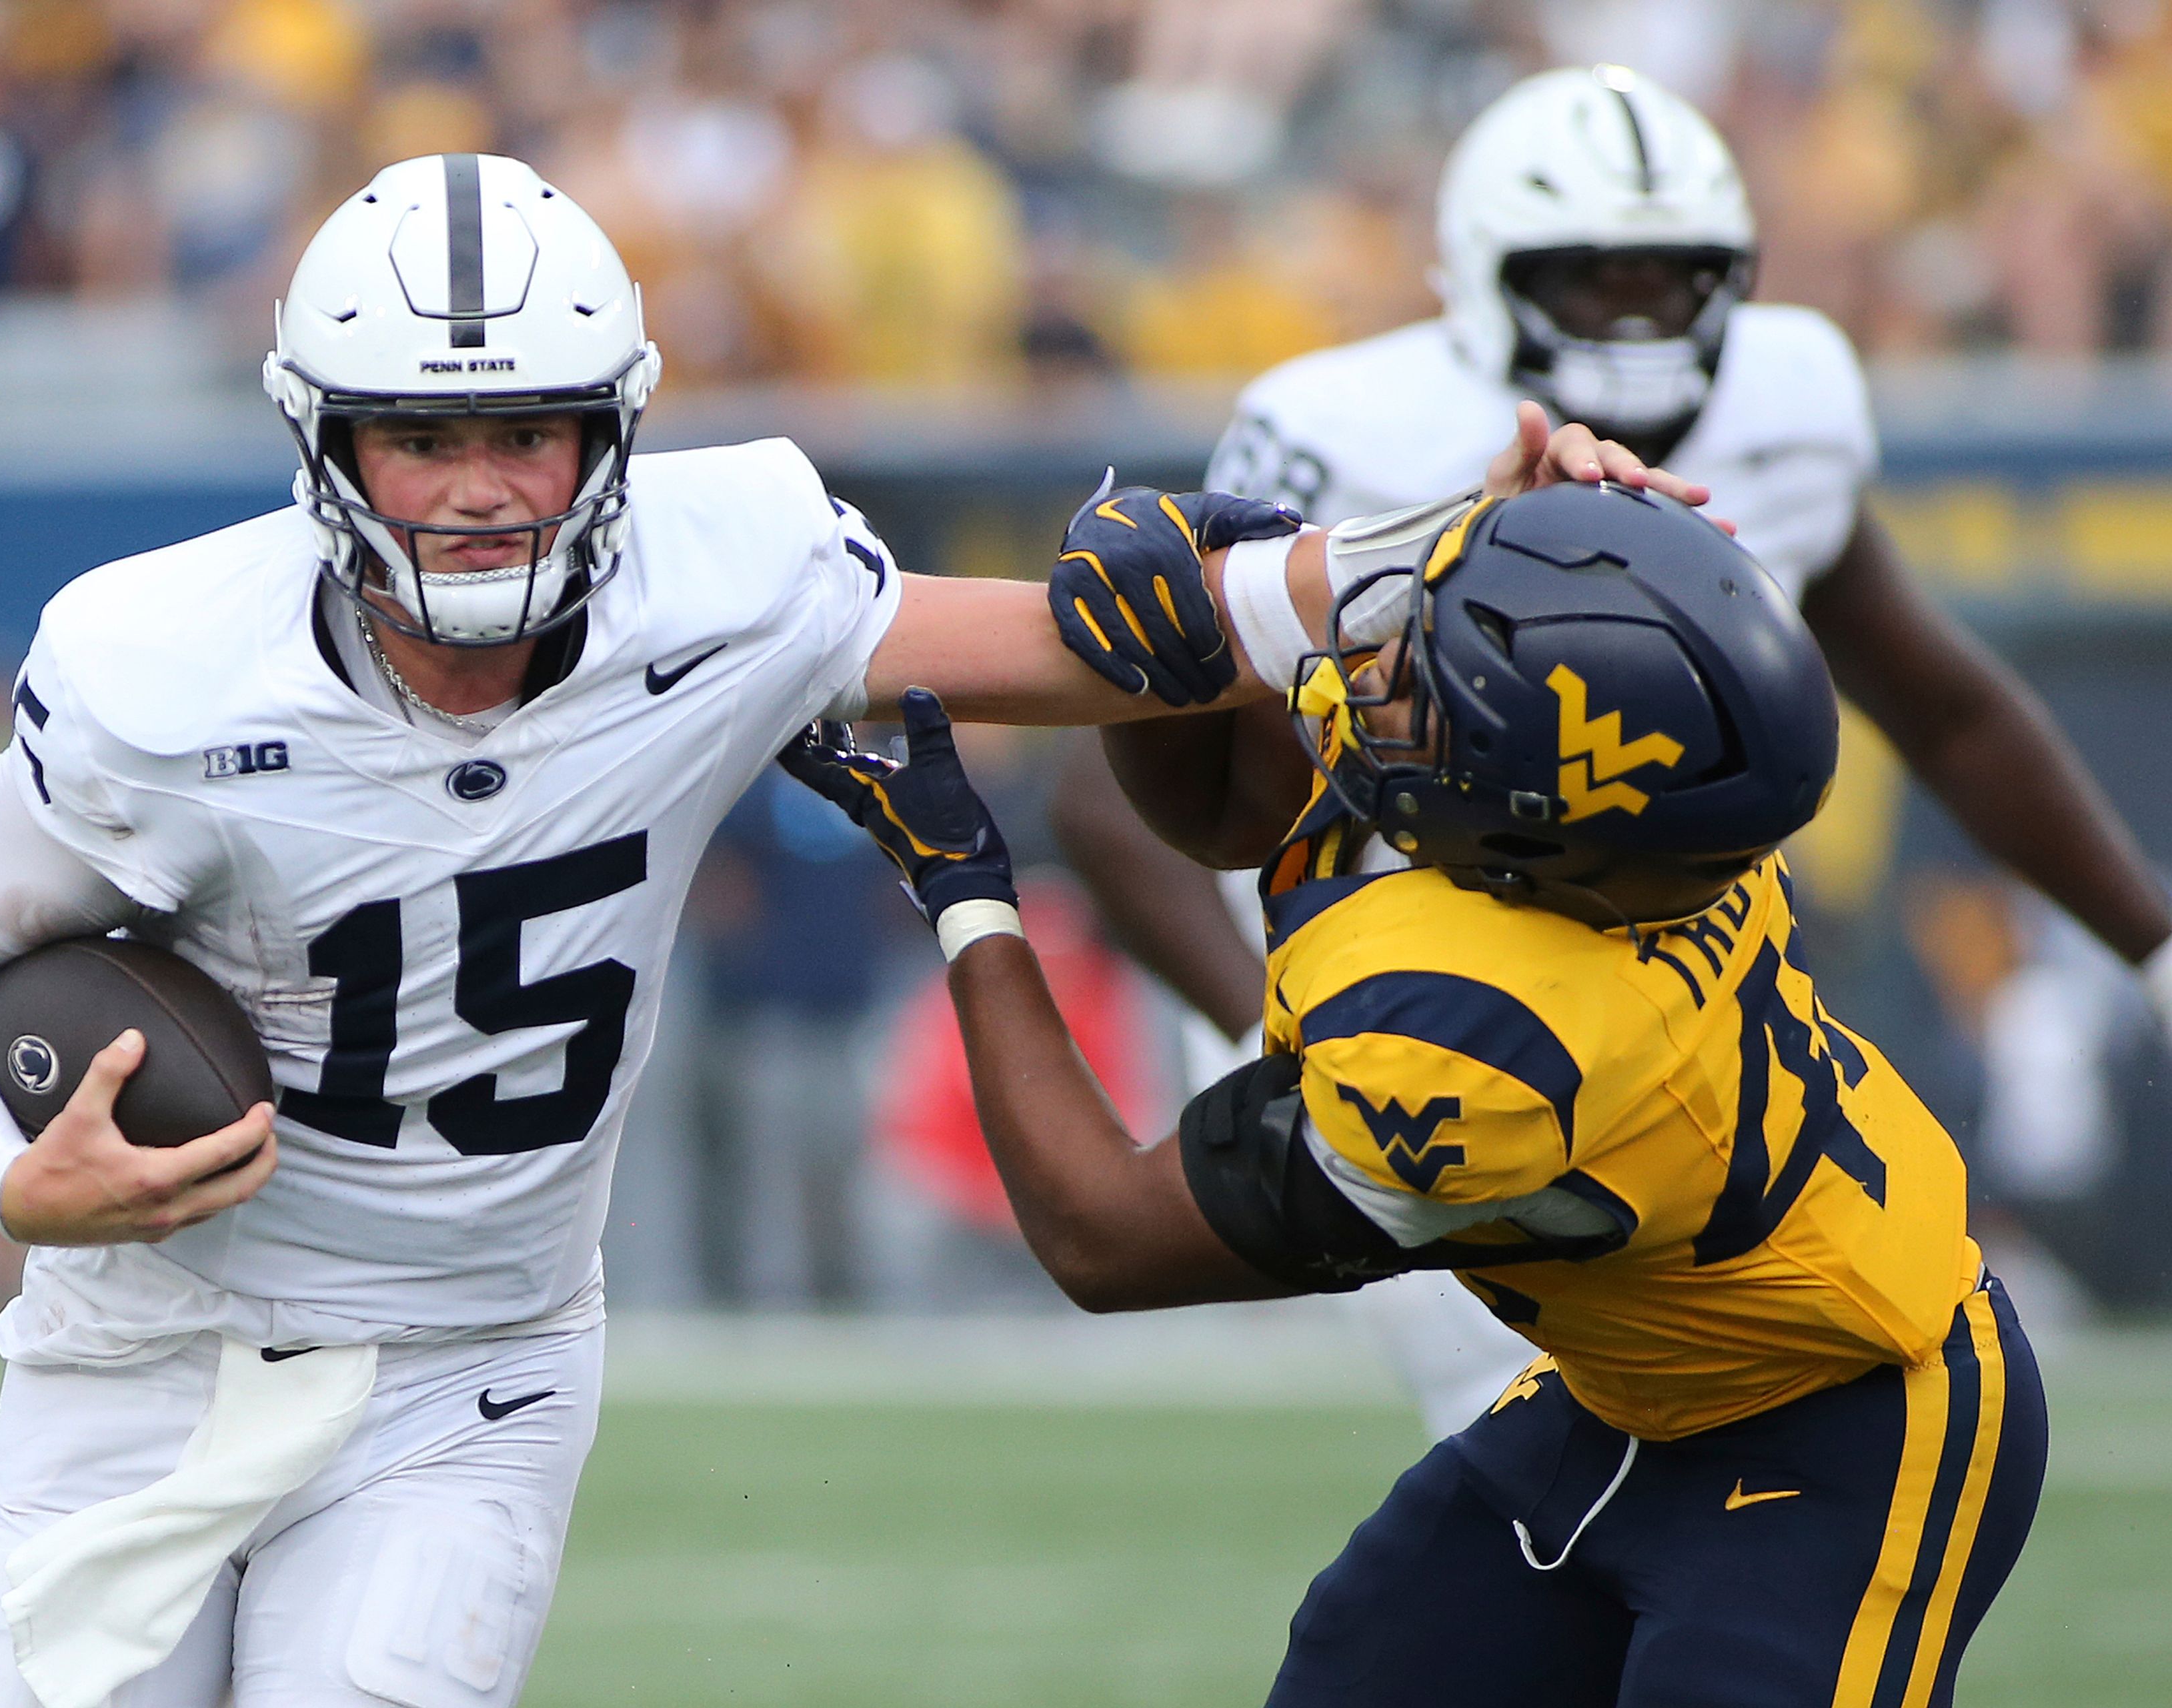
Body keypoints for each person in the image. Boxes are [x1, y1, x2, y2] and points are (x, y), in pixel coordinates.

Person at [0, 152, 1678, 1708]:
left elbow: (1111, 639)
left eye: (532, 431)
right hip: (145, 1352)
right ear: (325, 446)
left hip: (471, 1362)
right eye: (422, 437)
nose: (479, 486)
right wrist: (6, 1174)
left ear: (613, 431)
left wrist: (1455, 541)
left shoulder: (730, 570)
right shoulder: (159, 670)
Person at [1049, 61, 2172, 1437]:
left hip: (1642, 976)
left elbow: (1943, 707)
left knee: (1711, 1377)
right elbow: (1146, 794)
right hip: (1380, 962)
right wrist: (1268, 1032)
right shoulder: (1341, 435)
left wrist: (2155, 942)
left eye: (1671, 278)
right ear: (1479, 277)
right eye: (1591, 280)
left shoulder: (1794, 399)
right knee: (1516, 1405)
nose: (1635, 320)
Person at [797, 482, 2044, 1708]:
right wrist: (1187, 599)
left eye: (1430, 695)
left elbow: (1103, 1232)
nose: (1373, 679)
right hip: (1628, 1384)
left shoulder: (1487, 1049)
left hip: (1850, 1414)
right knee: (1359, 1662)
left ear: (1517, 830)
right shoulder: (1622, 830)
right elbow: (1235, 807)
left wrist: (966, 895)